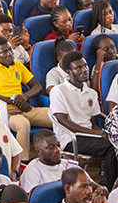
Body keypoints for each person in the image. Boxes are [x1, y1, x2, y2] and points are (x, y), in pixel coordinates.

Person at [50, 51, 117, 190]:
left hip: (89, 136)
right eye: (78, 68)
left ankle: (109, 180)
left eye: (85, 66)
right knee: (111, 147)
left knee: (114, 141)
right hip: (71, 138)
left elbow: (92, 122)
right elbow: (63, 121)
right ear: (69, 72)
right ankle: (109, 188)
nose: (84, 70)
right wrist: (96, 134)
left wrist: (100, 132)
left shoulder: (91, 92)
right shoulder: (58, 91)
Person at [0, 35, 52, 161]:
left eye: (10, 50)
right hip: (5, 112)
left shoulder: (17, 64)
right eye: (4, 52)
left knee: (55, 115)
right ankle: (23, 163)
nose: (9, 54)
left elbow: (37, 86)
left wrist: (24, 97)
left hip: (24, 108)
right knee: (23, 124)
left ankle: (59, 153)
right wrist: (12, 101)